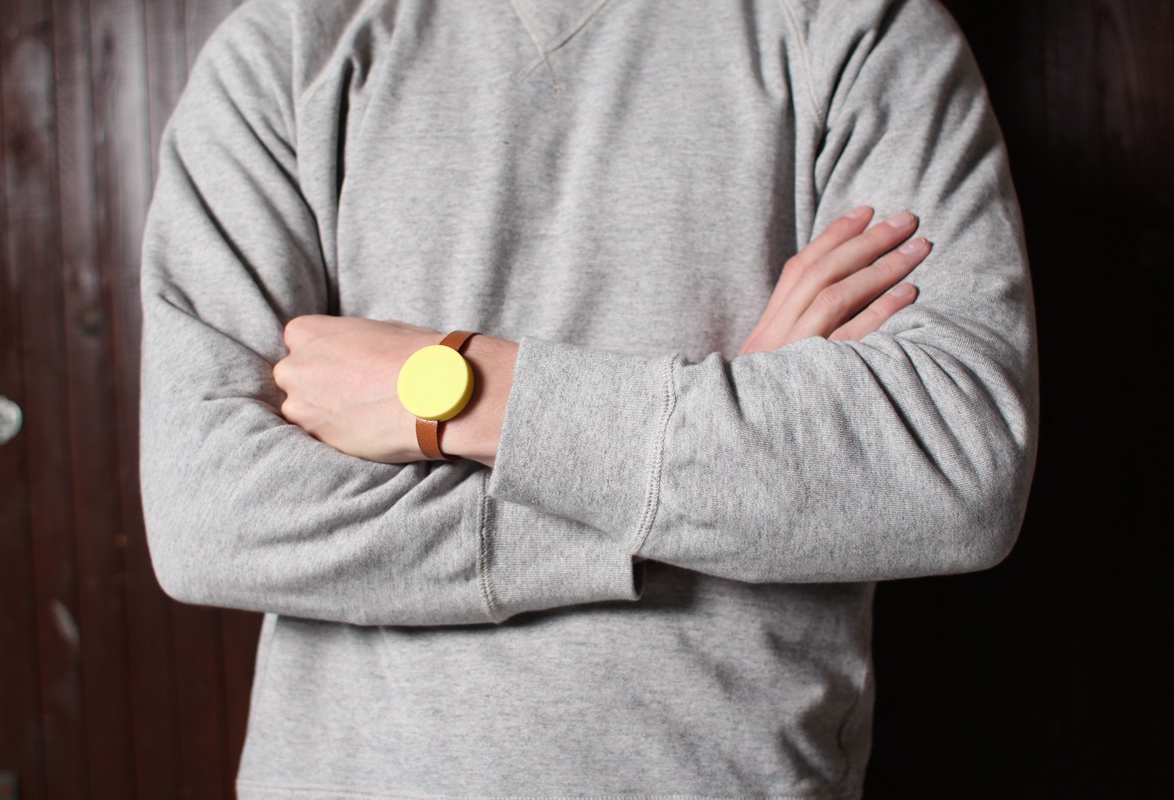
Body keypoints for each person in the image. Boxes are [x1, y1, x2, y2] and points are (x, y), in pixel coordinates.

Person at [139, 0, 1038, 796]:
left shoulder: (858, 29)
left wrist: (459, 390)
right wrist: (721, 445)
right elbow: (210, 516)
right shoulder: (290, 45)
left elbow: (956, 466)